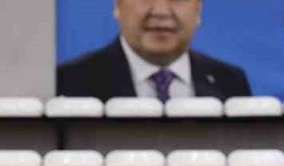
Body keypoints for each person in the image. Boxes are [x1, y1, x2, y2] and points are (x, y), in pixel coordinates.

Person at [56, 0, 250, 101]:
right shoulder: (71, 82)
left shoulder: (230, 82)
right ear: (117, 5)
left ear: (198, 10)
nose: (161, 11)